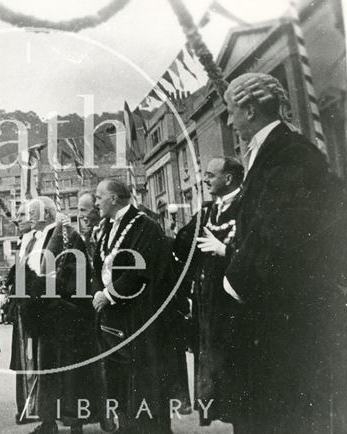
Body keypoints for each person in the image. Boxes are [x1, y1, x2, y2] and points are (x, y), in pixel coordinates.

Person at [222, 72, 347, 433]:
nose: (229, 122)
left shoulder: (289, 152)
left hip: (279, 315)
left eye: (231, 112)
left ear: (248, 110)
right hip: (272, 311)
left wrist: (233, 280)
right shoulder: (275, 151)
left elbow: (280, 228)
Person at [92, 179, 179, 433]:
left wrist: (108, 294)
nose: (96, 201)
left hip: (140, 314)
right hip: (115, 316)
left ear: (114, 198)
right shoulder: (107, 227)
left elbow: (139, 270)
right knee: (119, 377)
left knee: (144, 379)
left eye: (99, 197)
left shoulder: (145, 226)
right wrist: (100, 291)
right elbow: (100, 263)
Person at [20, 196, 100, 434]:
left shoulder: (67, 235)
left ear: (46, 214)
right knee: (48, 368)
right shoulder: (32, 239)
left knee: (70, 371)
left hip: (66, 313)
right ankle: (48, 421)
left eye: (31, 213)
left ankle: (75, 421)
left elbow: (76, 273)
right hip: (43, 314)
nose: (27, 218)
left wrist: (53, 289)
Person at [173, 157, 244, 425]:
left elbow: (258, 251)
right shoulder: (207, 211)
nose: (205, 180)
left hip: (233, 301)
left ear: (228, 178)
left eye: (210, 175)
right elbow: (182, 245)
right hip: (207, 303)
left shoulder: (245, 206)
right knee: (215, 371)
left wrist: (225, 250)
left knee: (236, 369)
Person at [6, 202, 39, 425]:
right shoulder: (24, 241)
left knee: (31, 358)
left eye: (21, 215)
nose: (17, 219)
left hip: (32, 307)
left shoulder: (38, 241)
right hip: (20, 308)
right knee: (22, 359)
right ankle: (26, 406)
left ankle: (33, 406)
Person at [77, 190, 102, 259]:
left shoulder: (111, 230)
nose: (79, 216)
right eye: (79, 211)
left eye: (83, 210)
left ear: (96, 209)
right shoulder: (88, 235)